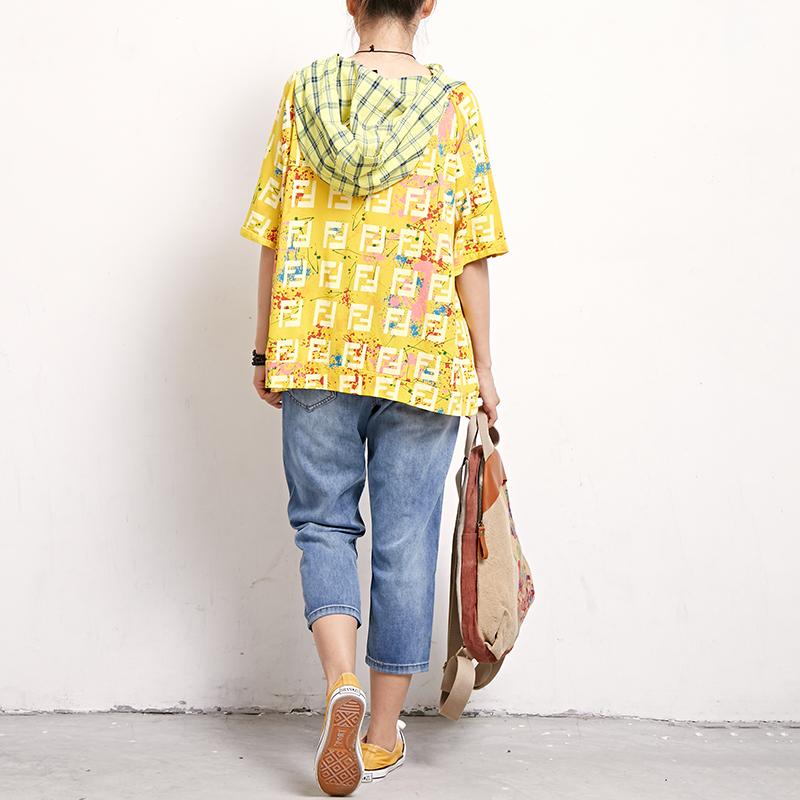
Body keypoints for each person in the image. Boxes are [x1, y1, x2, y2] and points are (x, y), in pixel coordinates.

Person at [239, 0, 509, 794]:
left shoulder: (305, 92)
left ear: (351, 3)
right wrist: (485, 366)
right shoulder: (453, 105)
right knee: (406, 540)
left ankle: (340, 684)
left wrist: (265, 347)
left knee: (324, 524)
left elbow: (275, 232)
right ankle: (382, 735)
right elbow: (470, 251)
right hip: (422, 357)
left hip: (316, 343)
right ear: (427, 6)